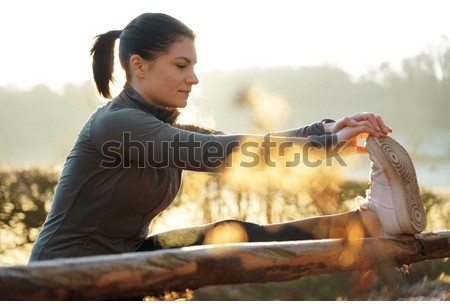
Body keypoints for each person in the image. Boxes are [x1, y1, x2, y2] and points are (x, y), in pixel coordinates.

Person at [29, 13, 426, 262]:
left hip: (123, 261)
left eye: (194, 66)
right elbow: (219, 153)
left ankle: (371, 221)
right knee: (227, 235)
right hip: (63, 279)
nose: (194, 78)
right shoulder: (116, 126)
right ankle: (371, 221)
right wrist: (324, 142)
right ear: (140, 66)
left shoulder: (158, 127)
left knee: (227, 235)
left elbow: (236, 145)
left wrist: (326, 132)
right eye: (181, 65)